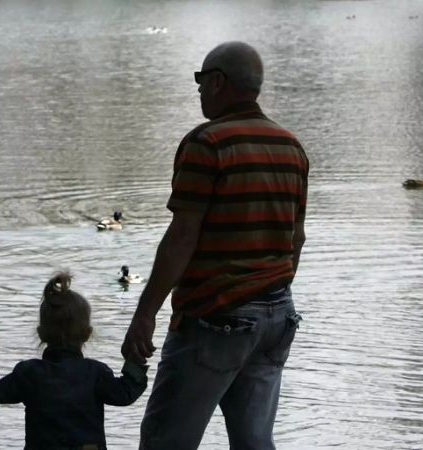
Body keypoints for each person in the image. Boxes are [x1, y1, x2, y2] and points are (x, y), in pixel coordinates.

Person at [122, 41, 309, 449]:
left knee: (165, 440)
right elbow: (296, 239)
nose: (199, 90)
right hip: (277, 318)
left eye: (201, 80)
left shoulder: (208, 144)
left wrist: (145, 313)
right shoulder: (290, 147)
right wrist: (268, 291)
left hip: (216, 318)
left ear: (218, 82)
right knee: (255, 442)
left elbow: (182, 236)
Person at [0, 273, 147, 450]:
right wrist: (136, 361)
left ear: (40, 333)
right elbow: (125, 394)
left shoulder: (29, 373)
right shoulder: (95, 373)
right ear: (87, 334)